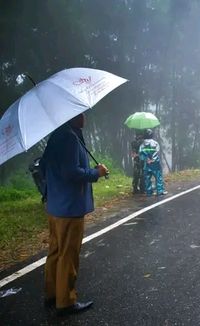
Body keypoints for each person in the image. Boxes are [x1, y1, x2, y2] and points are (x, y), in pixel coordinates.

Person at [41, 113, 109, 316]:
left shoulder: (57, 135)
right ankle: (66, 301)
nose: (84, 117)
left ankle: (52, 294)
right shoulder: (69, 138)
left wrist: (51, 192)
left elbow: (44, 167)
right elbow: (71, 173)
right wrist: (96, 173)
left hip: (55, 207)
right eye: (80, 113)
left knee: (55, 251)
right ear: (70, 115)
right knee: (68, 255)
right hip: (70, 209)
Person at [139, 129, 167, 197]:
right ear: (152, 135)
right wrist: (152, 159)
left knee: (147, 178)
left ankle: (149, 192)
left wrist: (147, 159)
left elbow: (141, 154)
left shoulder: (142, 145)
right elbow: (157, 152)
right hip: (155, 164)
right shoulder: (155, 143)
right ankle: (160, 191)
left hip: (147, 164)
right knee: (158, 177)